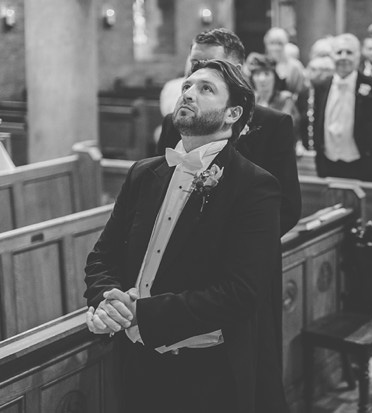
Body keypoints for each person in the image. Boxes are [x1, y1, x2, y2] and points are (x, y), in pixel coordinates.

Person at [84, 59, 287, 413]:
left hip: (204, 373)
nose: (189, 93)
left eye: (205, 89)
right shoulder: (144, 173)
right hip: (134, 363)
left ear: (232, 113)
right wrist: (105, 300)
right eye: (187, 87)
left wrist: (141, 314)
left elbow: (240, 293)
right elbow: (103, 255)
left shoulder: (254, 187)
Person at [157, 29, 301, 236]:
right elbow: (159, 190)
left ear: (236, 71)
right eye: (195, 63)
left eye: (210, 63)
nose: (200, 70)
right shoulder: (173, 123)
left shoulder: (273, 124)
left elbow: (286, 207)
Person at [313, 33, 372, 182]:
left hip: (364, 166)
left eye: (349, 52)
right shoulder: (321, 86)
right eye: (339, 52)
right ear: (332, 56)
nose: (344, 57)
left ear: (358, 56)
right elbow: (317, 121)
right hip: (328, 165)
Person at [246, 53, 300, 123]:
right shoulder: (251, 100)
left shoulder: (285, 99)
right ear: (252, 78)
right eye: (257, 74)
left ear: (275, 77)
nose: (262, 79)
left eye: (267, 74)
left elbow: (288, 126)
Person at [297, 55, 335, 150]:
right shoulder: (304, 93)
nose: (312, 73)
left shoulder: (334, 94)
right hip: (307, 147)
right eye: (312, 69)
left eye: (324, 70)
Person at [264, 27, 306, 94]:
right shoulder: (260, 64)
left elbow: (301, 91)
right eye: (272, 43)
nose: (275, 47)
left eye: (279, 43)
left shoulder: (295, 66)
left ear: (285, 44)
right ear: (266, 44)